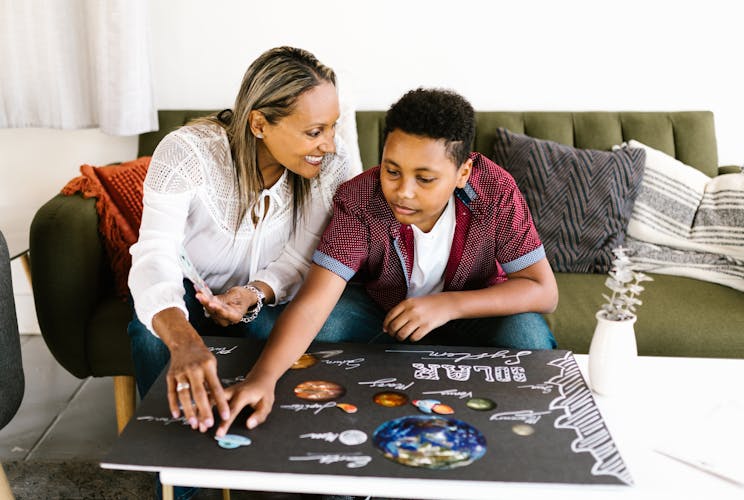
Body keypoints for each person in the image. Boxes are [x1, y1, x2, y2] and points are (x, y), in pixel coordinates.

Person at [214, 87, 559, 437]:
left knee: (526, 333)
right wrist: (262, 379)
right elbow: (314, 302)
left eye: (425, 179)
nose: (403, 191)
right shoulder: (360, 199)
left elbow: (543, 290)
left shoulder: (495, 191)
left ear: (463, 173)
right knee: (316, 327)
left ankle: (516, 440)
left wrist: (448, 305)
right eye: (392, 171)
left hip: (470, 313)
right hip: (384, 314)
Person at [127, 45, 364, 448]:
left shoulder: (333, 162)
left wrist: (253, 293)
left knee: (289, 327)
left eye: (333, 127)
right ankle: (177, 472)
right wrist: (183, 339)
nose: (329, 144)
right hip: (188, 287)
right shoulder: (188, 151)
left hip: (267, 297)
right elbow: (155, 251)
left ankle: (266, 455)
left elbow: (302, 257)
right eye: (314, 131)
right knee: (152, 335)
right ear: (259, 123)